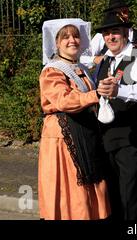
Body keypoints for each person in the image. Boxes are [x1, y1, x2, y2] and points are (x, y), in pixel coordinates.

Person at [38, 18, 111, 220]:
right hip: (63, 137)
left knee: (88, 180)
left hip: (84, 131)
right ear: (57, 43)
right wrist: (95, 95)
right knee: (71, 188)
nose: (72, 40)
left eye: (76, 36)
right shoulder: (52, 71)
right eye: (66, 37)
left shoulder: (81, 68)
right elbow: (63, 100)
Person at [93, 11, 137, 220]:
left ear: (125, 33)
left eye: (115, 32)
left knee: (130, 194)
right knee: (111, 194)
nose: (110, 37)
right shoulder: (105, 61)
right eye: (106, 34)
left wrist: (119, 91)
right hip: (107, 136)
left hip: (132, 137)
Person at [80, 0, 137, 68]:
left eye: (124, 12)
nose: (122, 16)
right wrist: (95, 59)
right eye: (117, 13)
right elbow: (82, 58)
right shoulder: (102, 36)